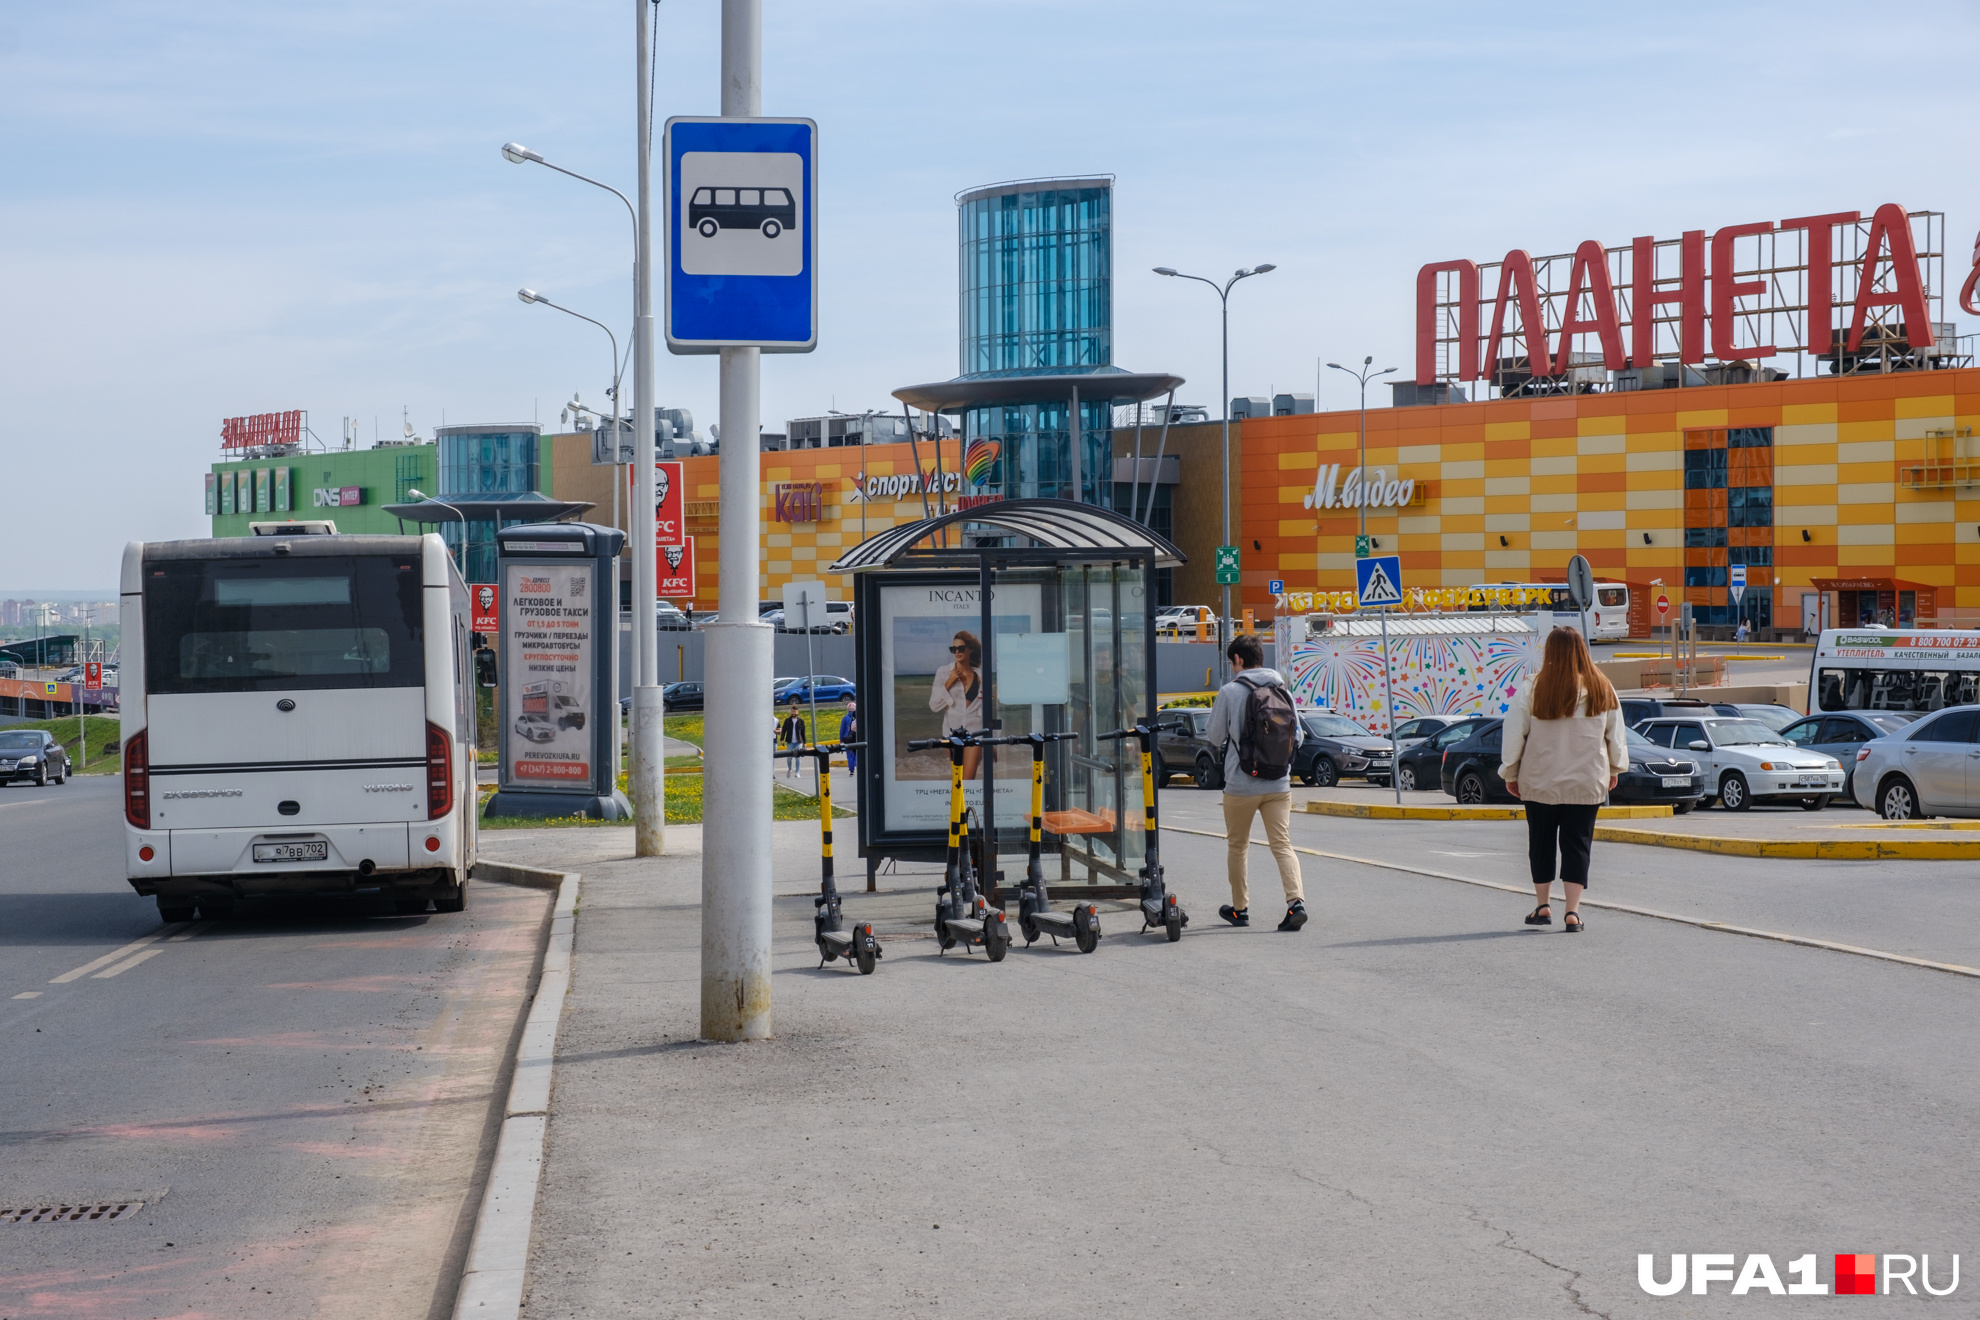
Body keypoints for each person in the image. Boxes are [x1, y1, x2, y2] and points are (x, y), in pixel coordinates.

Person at [1500, 626, 1628, 934]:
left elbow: (1514, 734)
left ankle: (1543, 907)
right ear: (1583, 650)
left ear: (1550, 652)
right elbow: (1616, 736)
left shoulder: (1532, 688)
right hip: (1586, 781)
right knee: (1578, 844)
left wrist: (1510, 771)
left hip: (1540, 781)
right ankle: (1573, 912)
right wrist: (1613, 769)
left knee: (1540, 842)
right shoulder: (1602, 687)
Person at [1205, 634, 1308, 932]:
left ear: (1238, 660)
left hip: (1241, 785)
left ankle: (1240, 910)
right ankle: (1296, 903)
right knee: (1283, 845)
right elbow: (1298, 736)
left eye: (1231, 661)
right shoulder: (1282, 690)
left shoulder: (1229, 691)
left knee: (1238, 847)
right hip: (1278, 784)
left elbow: (1214, 737)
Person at [928, 630, 985, 780]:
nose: (957, 652)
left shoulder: (980, 675)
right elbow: (934, 706)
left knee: (968, 778)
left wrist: (992, 742)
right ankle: (958, 804)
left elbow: (985, 708)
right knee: (958, 778)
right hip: (951, 730)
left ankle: (968, 804)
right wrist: (948, 683)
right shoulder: (944, 671)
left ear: (970, 649)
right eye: (954, 649)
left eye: (961, 648)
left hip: (975, 730)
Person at [778, 697, 808, 778]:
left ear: (797, 712)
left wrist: (805, 742)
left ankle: (797, 772)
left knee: (798, 758)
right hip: (790, 742)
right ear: (791, 711)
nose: (793, 712)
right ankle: (790, 768)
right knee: (789, 758)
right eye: (792, 711)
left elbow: (803, 732)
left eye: (795, 711)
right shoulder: (787, 721)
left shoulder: (801, 721)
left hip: (798, 742)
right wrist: (782, 739)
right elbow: (784, 730)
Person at [839, 699, 859, 774]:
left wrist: (841, 740)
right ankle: (857, 765)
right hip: (856, 737)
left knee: (849, 754)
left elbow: (842, 729)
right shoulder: (858, 717)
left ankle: (851, 769)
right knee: (857, 752)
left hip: (847, 738)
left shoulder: (845, 718)